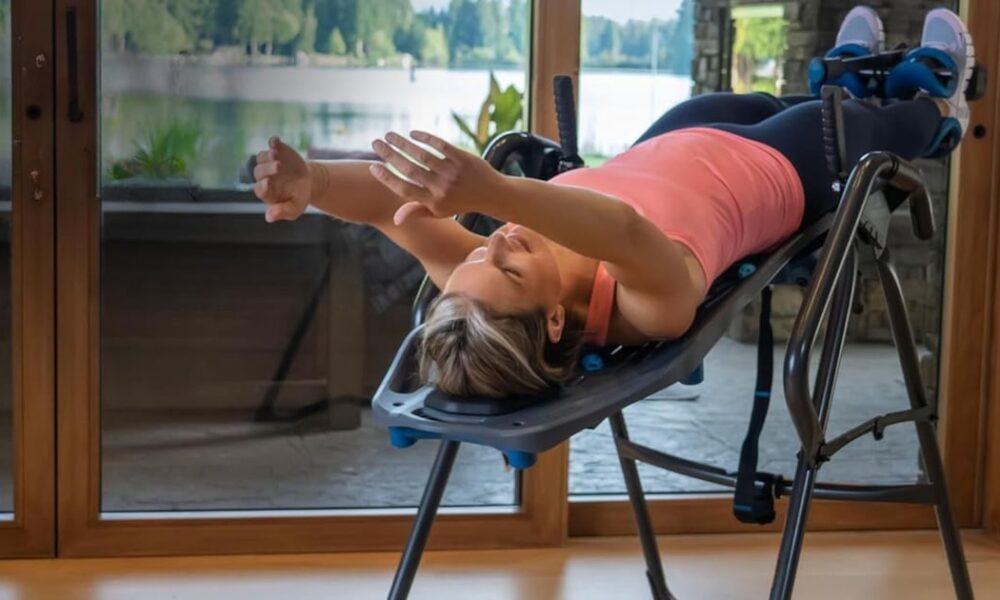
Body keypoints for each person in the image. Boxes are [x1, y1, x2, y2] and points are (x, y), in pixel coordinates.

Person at [252, 7, 975, 398]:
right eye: (506, 267)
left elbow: (387, 208)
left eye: (474, 259)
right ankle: (935, 107)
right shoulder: (648, 308)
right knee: (846, 123)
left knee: (765, 100)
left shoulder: (479, 290)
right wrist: (492, 191)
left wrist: (314, 185)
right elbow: (625, 230)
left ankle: (850, 75)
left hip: (670, 142)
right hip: (781, 169)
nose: (492, 243)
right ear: (555, 318)